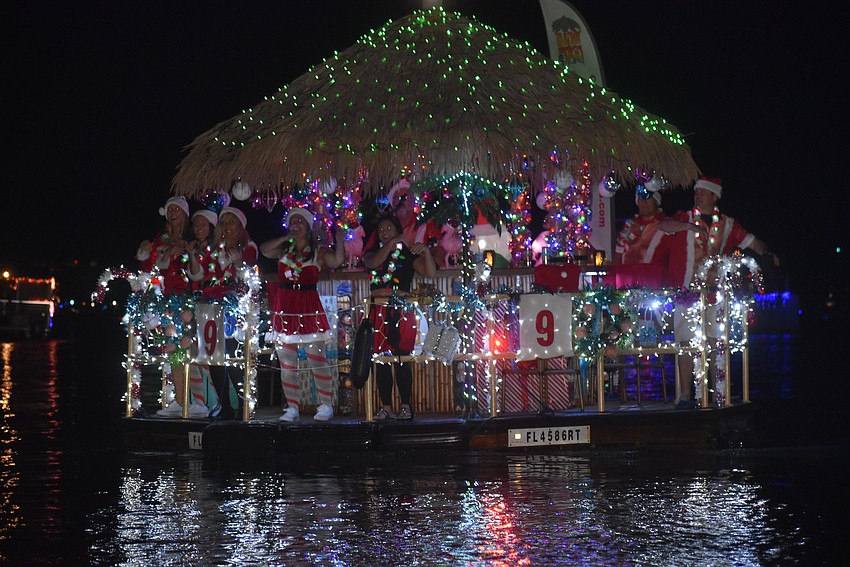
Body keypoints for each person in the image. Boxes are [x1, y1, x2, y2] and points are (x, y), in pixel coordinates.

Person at [659, 176, 778, 409]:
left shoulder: (728, 224)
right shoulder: (684, 217)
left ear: (715, 196)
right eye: (697, 191)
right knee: (684, 344)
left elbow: (754, 243)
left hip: (715, 295)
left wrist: (769, 254)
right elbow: (663, 225)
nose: (698, 195)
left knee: (715, 344)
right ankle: (684, 396)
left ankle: (718, 396)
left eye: (703, 192)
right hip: (686, 294)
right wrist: (689, 227)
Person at [261, 207, 345, 422]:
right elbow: (264, 249)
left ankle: (325, 404)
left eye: (300, 221)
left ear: (308, 226)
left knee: (317, 358)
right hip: (285, 305)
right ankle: (292, 407)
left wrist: (340, 240)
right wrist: (286, 237)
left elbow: (337, 261)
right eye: (292, 220)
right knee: (287, 363)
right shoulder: (283, 250)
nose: (296, 224)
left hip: (308, 306)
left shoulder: (319, 251)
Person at [136, 196, 206, 417]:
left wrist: (185, 252)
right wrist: (151, 252)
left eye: (177, 209)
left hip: (188, 296)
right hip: (168, 298)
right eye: (170, 209)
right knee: (173, 350)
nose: (173, 213)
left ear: (185, 213)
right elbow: (149, 264)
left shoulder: (192, 237)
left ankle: (200, 402)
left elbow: (200, 268)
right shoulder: (162, 238)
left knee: (188, 348)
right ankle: (180, 399)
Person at [362, 213, 436, 420]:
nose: (385, 232)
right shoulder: (371, 253)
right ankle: (386, 407)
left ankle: (405, 406)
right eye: (382, 230)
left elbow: (429, 273)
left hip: (403, 309)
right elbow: (374, 262)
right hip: (378, 309)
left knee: (403, 358)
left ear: (398, 231)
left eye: (390, 229)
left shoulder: (407, 255)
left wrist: (427, 252)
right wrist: (394, 241)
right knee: (381, 360)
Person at [189, 206, 258, 419]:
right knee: (214, 358)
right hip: (212, 307)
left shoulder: (248, 247)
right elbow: (200, 274)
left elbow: (249, 276)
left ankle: (243, 405)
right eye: (224, 222)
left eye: (231, 222)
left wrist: (238, 264)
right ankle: (226, 406)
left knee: (234, 356)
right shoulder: (215, 249)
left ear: (240, 225)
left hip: (234, 309)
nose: (227, 227)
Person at [613, 185, 667, 265]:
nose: (644, 202)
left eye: (648, 198)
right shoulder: (630, 224)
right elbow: (619, 251)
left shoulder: (666, 225)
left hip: (653, 274)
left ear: (656, 201)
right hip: (628, 274)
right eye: (640, 198)